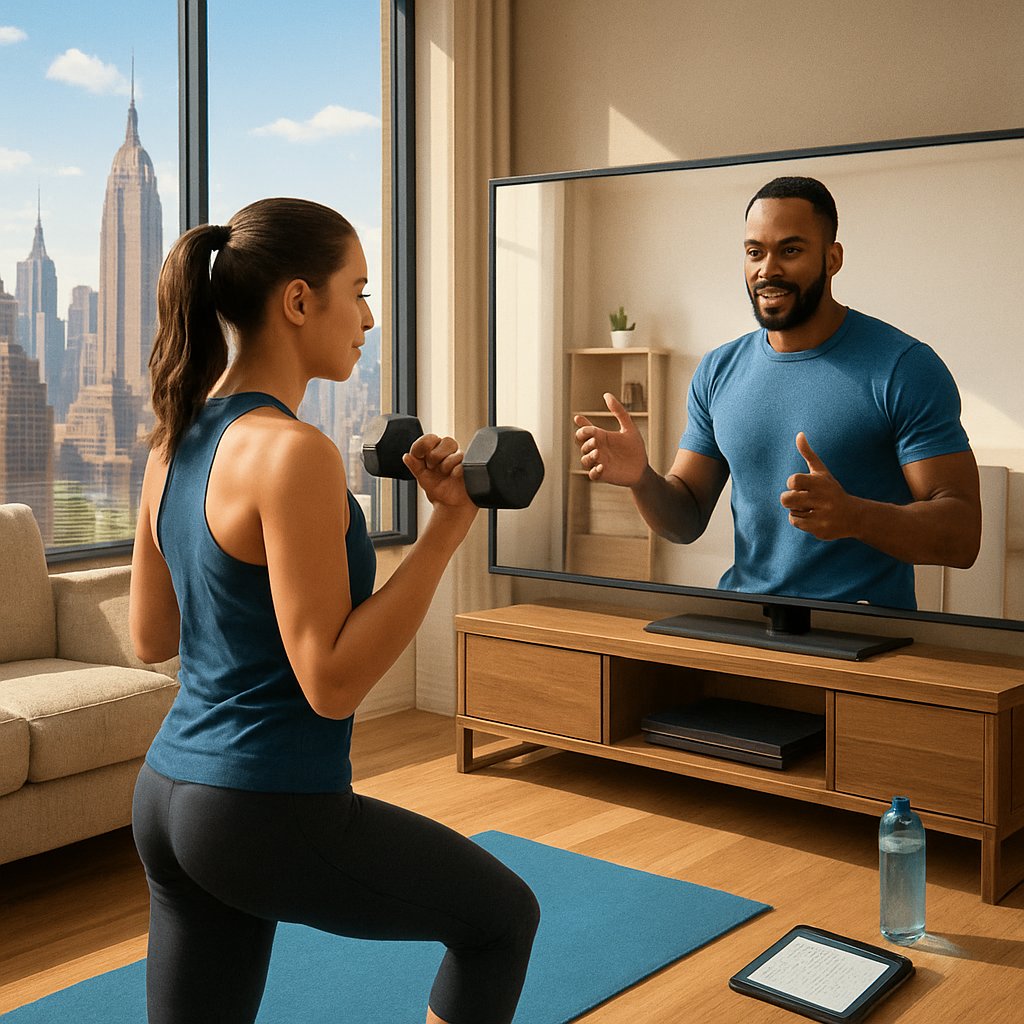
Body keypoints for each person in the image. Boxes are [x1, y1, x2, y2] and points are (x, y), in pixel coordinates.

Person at [129, 197, 539, 1024]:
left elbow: (151, 637)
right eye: (356, 290)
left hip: (168, 798)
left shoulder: (176, 435)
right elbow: (332, 684)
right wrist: (446, 529)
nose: (368, 316)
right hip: (262, 809)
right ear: (297, 301)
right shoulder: (293, 453)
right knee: (502, 920)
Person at [574, 176, 981, 609]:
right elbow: (686, 518)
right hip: (745, 625)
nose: (768, 269)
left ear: (832, 258)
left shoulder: (903, 367)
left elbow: (962, 537)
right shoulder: (718, 370)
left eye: (790, 250)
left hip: (863, 641)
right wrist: (642, 480)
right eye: (755, 252)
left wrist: (854, 516)